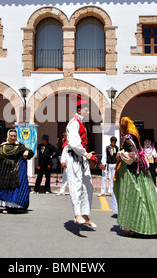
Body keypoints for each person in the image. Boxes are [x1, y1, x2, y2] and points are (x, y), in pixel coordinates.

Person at [113, 117, 157, 237]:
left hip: (131, 173)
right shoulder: (134, 138)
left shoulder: (128, 139)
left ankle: (135, 226)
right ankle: (141, 225)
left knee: (134, 197)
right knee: (141, 197)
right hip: (139, 171)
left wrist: (121, 153)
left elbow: (134, 156)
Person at [65, 94, 97, 228]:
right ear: (79, 110)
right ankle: (77, 214)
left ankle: (85, 215)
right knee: (76, 185)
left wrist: (86, 155)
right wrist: (86, 154)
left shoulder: (82, 123)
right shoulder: (73, 123)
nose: (88, 112)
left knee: (87, 186)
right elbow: (73, 143)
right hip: (74, 157)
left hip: (81, 157)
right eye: (86, 110)